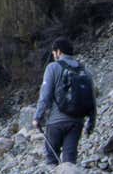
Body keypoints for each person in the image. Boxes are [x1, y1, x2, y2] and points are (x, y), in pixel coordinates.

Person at [33, 37, 97, 165]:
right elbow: (92, 98)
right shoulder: (84, 70)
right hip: (77, 121)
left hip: (56, 122)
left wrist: (37, 117)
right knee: (70, 159)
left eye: (54, 51)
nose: (53, 54)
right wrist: (91, 122)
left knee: (52, 158)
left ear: (59, 52)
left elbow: (45, 95)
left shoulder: (52, 67)